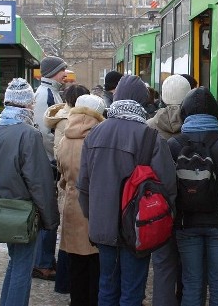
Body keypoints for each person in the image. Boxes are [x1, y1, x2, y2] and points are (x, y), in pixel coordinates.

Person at [77, 74, 176, 306]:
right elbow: (168, 187)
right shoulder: (150, 138)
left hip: (103, 226)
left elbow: (83, 185)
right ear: (142, 102)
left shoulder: (94, 134)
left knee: (107, 288)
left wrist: (94, 217)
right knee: (132, 292)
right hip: (138, 226)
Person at [167, 87, 218, 306]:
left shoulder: (174, 144)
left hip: (185, 224)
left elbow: (167, 188)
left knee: (192, 283)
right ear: (215, 113)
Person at [0, 78, 59, 306]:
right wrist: (50, 219)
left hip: (3, 211)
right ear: (27, 105)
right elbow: (39, 182)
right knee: (22, 269)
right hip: (24, 211)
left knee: (15, 263)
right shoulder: (29, 134)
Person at [56, 94, 106, 306]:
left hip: (71, 204)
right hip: (93, 205)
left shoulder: (64, 138)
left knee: (76, 261)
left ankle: (77, 301)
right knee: (95, 263)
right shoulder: (98, 138)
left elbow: (60, 172)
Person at [147, 74, 191, 306]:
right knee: (190, 265)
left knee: (163, 264)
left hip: (157, 206)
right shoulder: (195, 126)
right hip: (191, 206)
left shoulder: (149, 128)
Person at [45, 83, 91, 295]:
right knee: (77, 241)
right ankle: (69, 284)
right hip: (75, 187)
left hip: (67, 187)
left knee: (69, 238)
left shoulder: (63, 121)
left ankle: (65, 284)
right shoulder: (78, 126)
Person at [33, 55, 68, 281]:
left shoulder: (51, 92)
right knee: (48, 213)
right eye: (63, 70)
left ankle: (44, 260)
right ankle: (43, 263)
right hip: (48, 163)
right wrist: (57, 155)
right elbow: (44, 131)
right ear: (54, 72)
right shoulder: (44, 95)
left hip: (49, 161)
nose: (66, 73)